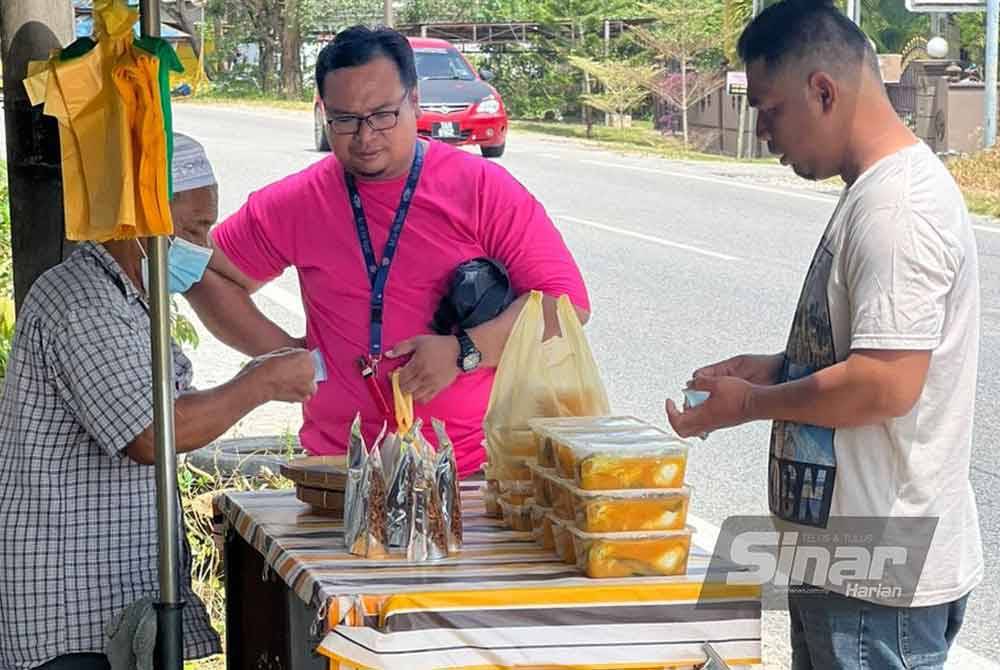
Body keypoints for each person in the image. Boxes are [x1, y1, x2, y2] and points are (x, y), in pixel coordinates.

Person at [666, 2, 982, 668]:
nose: (763, 131)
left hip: (876, 582)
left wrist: (750, 406)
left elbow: (885, 384)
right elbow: (864, 353)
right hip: (849, 567)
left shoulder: (898, 208)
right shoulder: (874, 190)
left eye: (770, 109)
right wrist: (779, 368)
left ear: (823, 91)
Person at [187, 26, 589, 477]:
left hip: (469, 468)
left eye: (382, 115)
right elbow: (200, 270)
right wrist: (283, 354)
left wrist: (465, 351)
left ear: (414, 101)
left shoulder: (479, 189)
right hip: (338, 469)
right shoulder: (298, 201)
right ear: (321, 113)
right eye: (344, 119)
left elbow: (567, 303)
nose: (364, 136)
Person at [0, 135, 317, 670]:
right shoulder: (84, 301)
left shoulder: (132, 297)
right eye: (192, 229)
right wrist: (256, 384)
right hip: (68, 608)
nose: (203, 243)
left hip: (112, 592)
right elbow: (150, 433)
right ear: (138, 220)